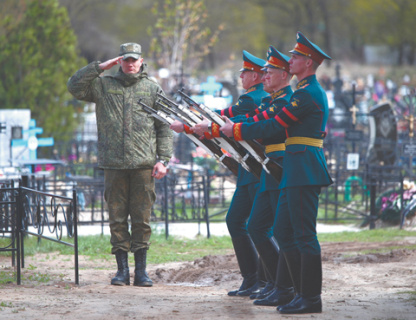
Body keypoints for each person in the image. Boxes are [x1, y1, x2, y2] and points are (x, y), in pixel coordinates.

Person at [221, 32, 333, 314]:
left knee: (303, 234)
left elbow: (274, 125)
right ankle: (295, 291)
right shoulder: (304, 92)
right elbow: (269, 121)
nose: (290, 60)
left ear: (308, 63)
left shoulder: (307, 94)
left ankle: (310, 297)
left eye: (295, 57)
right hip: (295, 167)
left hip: (303, 167)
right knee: (284, 231)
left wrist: (234, 130)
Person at [67, 42, 173, 287]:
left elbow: (164, 127)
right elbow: (74, 86)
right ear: (120, 61)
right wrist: (101, 67)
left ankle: (141, 272)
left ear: (141, 60)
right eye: (125, 60)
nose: (130, 64)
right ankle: (122, 271)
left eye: (134, 59)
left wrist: (163, 160)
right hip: (114, 165)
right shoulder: (103, 86)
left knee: (141, 219)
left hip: (143, 165)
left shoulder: (152, 89)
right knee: (116, 218)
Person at [183, 50, 268, 297]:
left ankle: (263, 279)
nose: (241, 75)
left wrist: (190, 125)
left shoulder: (254, 99)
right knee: (242, 222)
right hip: (246, 169)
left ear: (256, 76)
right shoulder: (251, 97)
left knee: (257, 226)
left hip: (253, 170)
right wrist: (190, 121)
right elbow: (220, 118)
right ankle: (254, 278)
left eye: (245, 72)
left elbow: (225, 123)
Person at [230, 46, 296, 307]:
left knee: (279, 230)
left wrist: (225, 129)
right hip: (267, 165)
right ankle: (272, 283)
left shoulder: (284, 100)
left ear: (284, 74)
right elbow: (253, 123)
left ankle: (282, 285)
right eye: (264, 71)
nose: (265, 75)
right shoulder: (272, 100)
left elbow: (262, 126)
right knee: (259, 226)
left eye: (269, 71)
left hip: (278, 165)